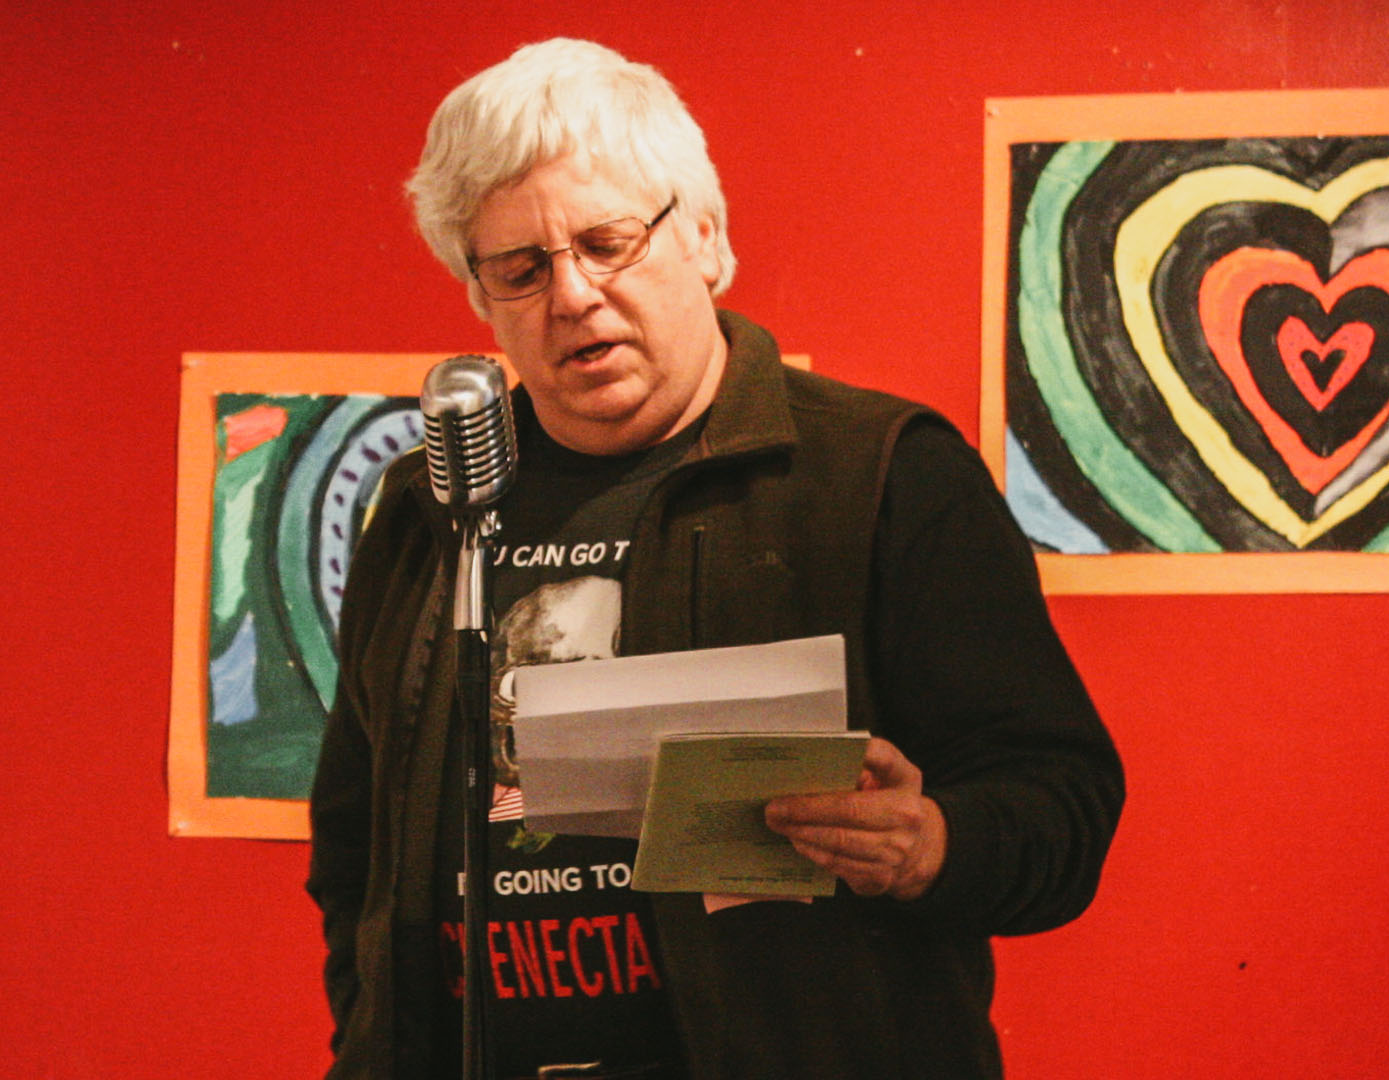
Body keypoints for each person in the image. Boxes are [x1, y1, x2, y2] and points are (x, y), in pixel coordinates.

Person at [306, 37, 1123, 1080]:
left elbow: (1063, 800)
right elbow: (354, 848)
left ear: (704, 238)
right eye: (522, 268)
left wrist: (932, 844)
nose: (573, 296)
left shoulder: (880, 474)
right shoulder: (432, 506)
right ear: (482, 297)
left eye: (607, 243)